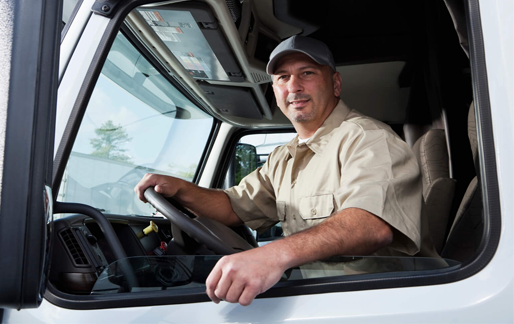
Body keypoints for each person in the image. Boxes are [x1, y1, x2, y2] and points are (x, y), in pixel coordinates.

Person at [134, 35, 436, 306]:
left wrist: (273, 255)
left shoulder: (367, 138)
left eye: (307, 73)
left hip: (381, 303)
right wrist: (182, 190)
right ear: (276, 91)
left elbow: (372, 225)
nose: (294, 86)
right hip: (322, 297)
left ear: (335, 84)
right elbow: (233, 207)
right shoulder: (283, 158)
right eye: (283, 77)